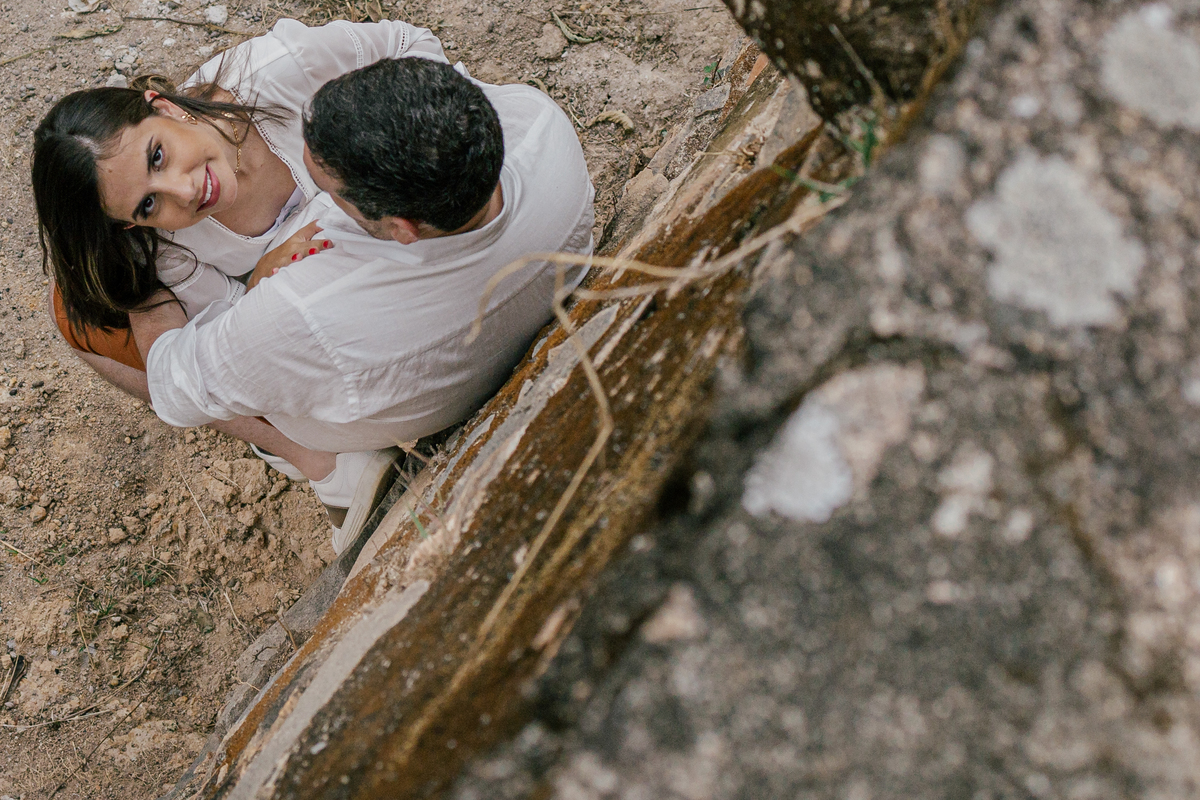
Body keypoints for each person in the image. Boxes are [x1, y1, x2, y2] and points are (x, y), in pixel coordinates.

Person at [129, 57, 596, 553]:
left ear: (402, 230)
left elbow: (174, 387)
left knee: (80, 318)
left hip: (397, 412)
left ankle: (327, 468)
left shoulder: (300, 308)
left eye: (327, 196)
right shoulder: (538, 118)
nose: (317, 206)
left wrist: (132, 280)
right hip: (520, 308)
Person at [33, 19, 448, 547]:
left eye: (157, 156)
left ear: (163, 106)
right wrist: (260, 277)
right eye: (148, 203)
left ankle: (317, 459)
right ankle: (322, 461)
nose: (183, 192)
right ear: (133, 223)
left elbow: (412, 46)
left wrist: (398, 164)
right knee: (78, 310)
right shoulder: (168, 250)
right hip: (342, 312)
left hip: (414, 228)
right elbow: (232, 341)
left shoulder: (275, 74)